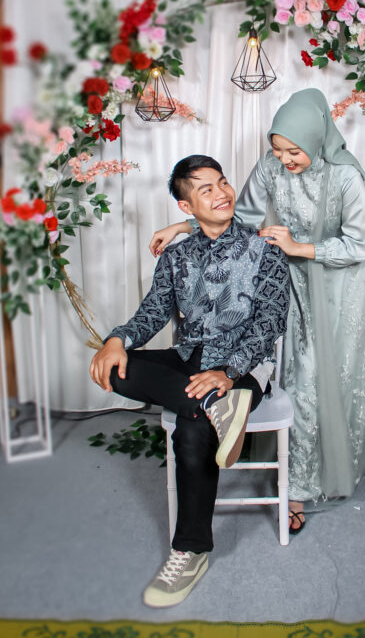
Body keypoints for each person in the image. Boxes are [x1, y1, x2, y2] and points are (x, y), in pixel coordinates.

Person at [150, 89, 365, 534]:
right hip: (298, 280)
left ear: (316, 139)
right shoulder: (270, 166)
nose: (284, 159)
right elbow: (241, 214)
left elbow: (359, 244)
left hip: (349, 286)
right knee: (302, 378)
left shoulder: (345, 176)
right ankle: (297, 482)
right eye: (278, 149)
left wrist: (298, 246)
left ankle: (327, 472)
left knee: (337, 378)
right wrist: (184, 225)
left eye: (293, 151)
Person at [90, 154, 289, 608]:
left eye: (222, 182)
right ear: (186, 207)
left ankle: (190, 552)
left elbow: (269, 323)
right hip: (188, 359)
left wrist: (228, 372)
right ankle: (209, 404)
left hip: (243, 369)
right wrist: (117, 339)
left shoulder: (265, 250)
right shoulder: (177, 256)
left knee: (193, 431)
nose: (221, 193)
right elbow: (153, 312)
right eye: (206, 189)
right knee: (115, 366)